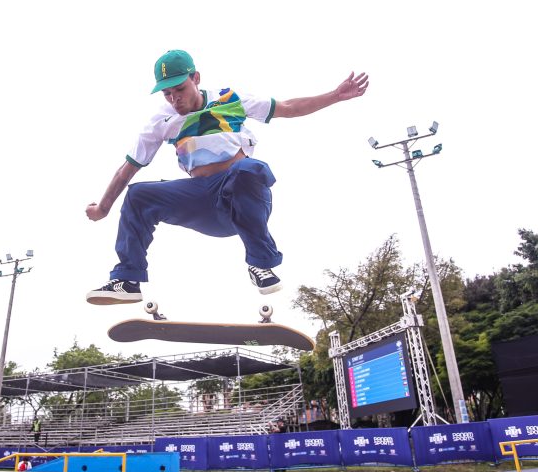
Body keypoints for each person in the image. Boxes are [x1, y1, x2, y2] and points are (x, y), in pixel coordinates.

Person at [86, 50, 368, 304]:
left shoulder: (230, 99)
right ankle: (128, 279)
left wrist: (335, 95)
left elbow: (288, 108)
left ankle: (260, 263)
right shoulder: (161, 121)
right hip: (200, 200)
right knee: (138, 195)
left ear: (196, 78)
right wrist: (103, 208)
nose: (175, 100)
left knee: (249, 169)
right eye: (167, 94)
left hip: (240, 196)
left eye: (180, 90)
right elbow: (127, 168)